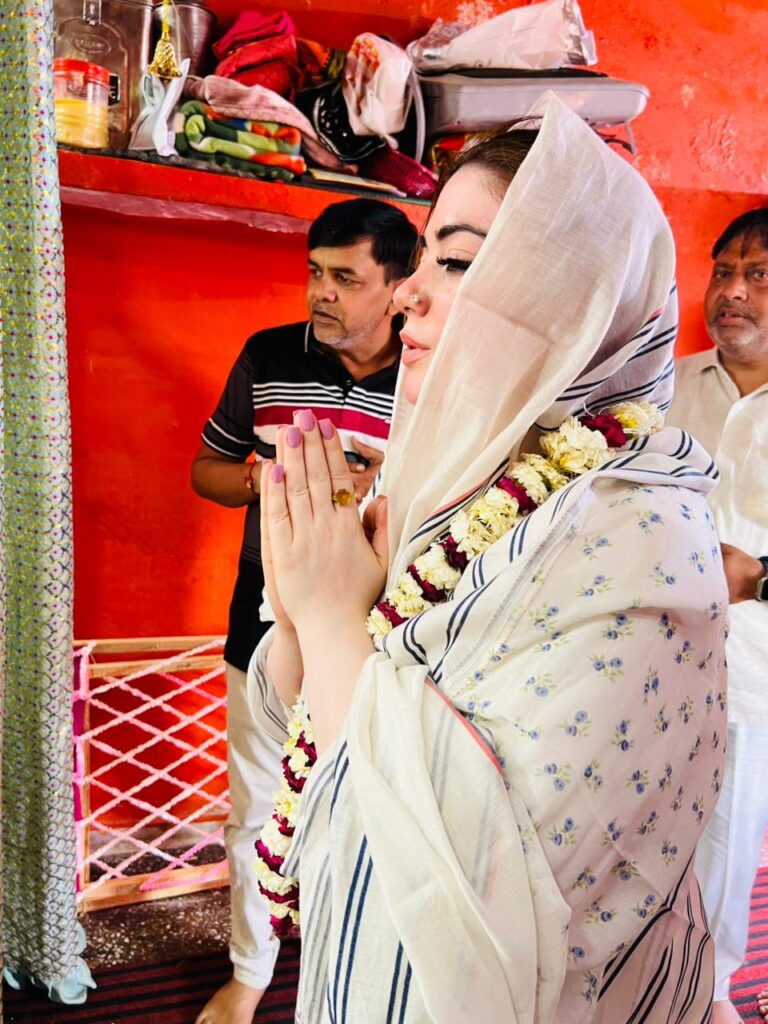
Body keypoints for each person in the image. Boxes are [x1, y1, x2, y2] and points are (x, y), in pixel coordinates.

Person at [251, 94, 729, 1022]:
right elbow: (302, 727)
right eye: (425, 256)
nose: (407, 292)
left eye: (460, 261)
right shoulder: (454, 480)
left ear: (575, 306)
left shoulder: (639, 540)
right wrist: (307, 610)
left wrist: (333, 619)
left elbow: (476, 897)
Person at [191, 197, 418, 1024]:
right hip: (264, 619)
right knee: (257, 802)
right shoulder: (269, 356)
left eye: (346, 278)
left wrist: (376, 486)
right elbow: (207, 471)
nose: (321, 292)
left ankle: (357, 968)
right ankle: (251, 973)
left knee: (376, 807)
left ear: (398, 288)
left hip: (388, 633)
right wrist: (271, 478)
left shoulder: (432, 371)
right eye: (316, 273)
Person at [666, 208, 768, 1024]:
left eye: (759, 275)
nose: (732, 291)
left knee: (722, 846)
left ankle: (710, 996)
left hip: (750, 676)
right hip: (643, 656)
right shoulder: (664, 387)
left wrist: (759, 578)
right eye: (724, 270)